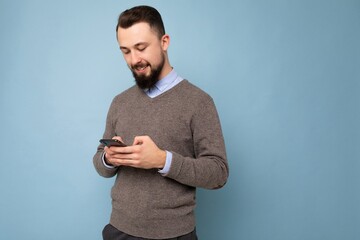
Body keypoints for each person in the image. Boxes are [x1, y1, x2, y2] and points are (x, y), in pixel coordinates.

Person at [93, 5, 229, 240]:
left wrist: (162, 160)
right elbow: (99, 163)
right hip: (119, 231)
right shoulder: (120, 102)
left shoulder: (199, 102)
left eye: (141, 47)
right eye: (125, 51)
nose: (134, 59)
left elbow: (218, 173)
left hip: (174, 234)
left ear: (164, 42)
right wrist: (109, 158)